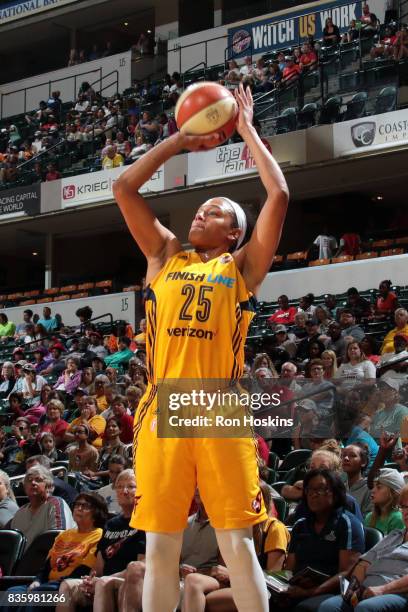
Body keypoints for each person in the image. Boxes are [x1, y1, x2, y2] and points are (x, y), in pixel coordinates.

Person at [113, 83, 289, 612]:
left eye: (215, 212)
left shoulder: (240, 268)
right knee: (160, 544)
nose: (200, 215)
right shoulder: (166, 254)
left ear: (235, 232)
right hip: (163, 404)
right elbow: (124, 187)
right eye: (200, 208)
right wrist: (177, 143)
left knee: (237, 542)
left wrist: (246, 132)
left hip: (218, 404)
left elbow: (278, 195)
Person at [57, 470, 145, 612]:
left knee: (103, 583)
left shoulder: (145, 522)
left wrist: (102, 580)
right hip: (102, 580)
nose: (125, 491)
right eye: (120, 486)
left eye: (131, 486)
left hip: (127, 582)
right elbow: (98, 566)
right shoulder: (110, 524)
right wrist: (90, 580)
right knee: (68, 586)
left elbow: (140, 568)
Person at [7, 492, 107, 612]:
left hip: (68, 586)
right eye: (77, 505)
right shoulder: (64, 535)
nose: (79, 508)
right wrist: (38, 581)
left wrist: (51, 584)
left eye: (85, 506)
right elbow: (47, 566)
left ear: (97, 512)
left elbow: (84, 570)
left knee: (36, 598)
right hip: (47, 584)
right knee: (10, 594)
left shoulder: (99, 535)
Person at [316, 484, 408, 612]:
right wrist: (354, 588)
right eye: (403, 507)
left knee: (366, 607)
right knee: (329, 606)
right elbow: (363, 564)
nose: (406, 512)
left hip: (396, 593)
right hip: (367, 590)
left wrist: (382, 589)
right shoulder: (394, 535)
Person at [281, 469, 365, 609]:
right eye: (309, 490)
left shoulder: (348, 524)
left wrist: (309, 592)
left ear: (336, 493)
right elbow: (290, 568)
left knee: (305, 607)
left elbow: (347, 573)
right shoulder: (300, 525)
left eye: (321, 489)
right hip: (299, 587)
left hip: (331, 591)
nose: (314, 494)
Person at [10, 464, 75, 547]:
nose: (33, 483)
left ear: (48, 486)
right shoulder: (20, 512)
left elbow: (59, 538)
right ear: (25, 487)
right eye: (29, 480)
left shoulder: (55, 504)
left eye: (38, 480)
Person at [364, 468, 405, 534]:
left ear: (393, 492)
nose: (373, 490)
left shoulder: (397, 519)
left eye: (379, 487)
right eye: (373, 487)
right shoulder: (369, 517)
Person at [341, 444, 372, 515]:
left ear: (363, 462)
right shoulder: (340, 487)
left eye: (352, 455)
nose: (346, 458)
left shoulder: (369, 488)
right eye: (343, 455)